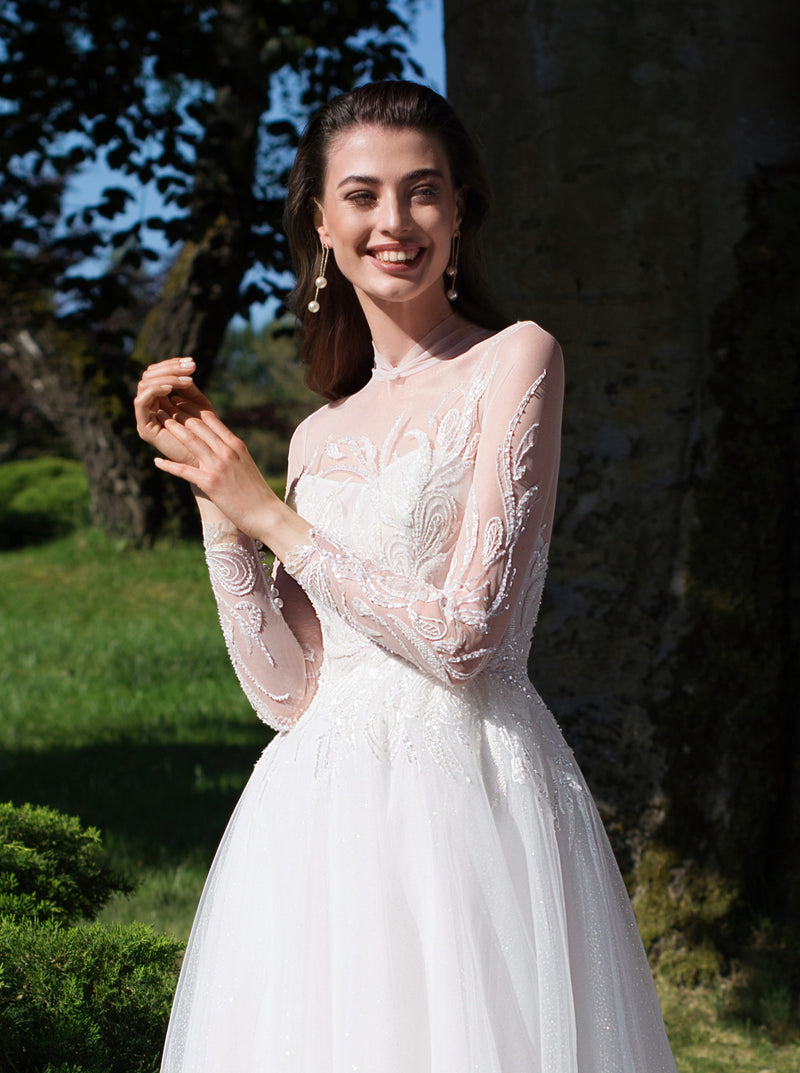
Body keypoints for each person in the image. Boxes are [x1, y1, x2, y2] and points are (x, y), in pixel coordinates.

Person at [134, 80, 677, 1073]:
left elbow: (468, 640)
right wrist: (222, 511)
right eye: (362, 195)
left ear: (460, 208)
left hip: (469, 793)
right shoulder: (315, 430)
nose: (394, 220)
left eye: (422, 191)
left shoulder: (514, 360)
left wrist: (272, 517)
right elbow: (286, 692)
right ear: (320, 224)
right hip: (316, 815)